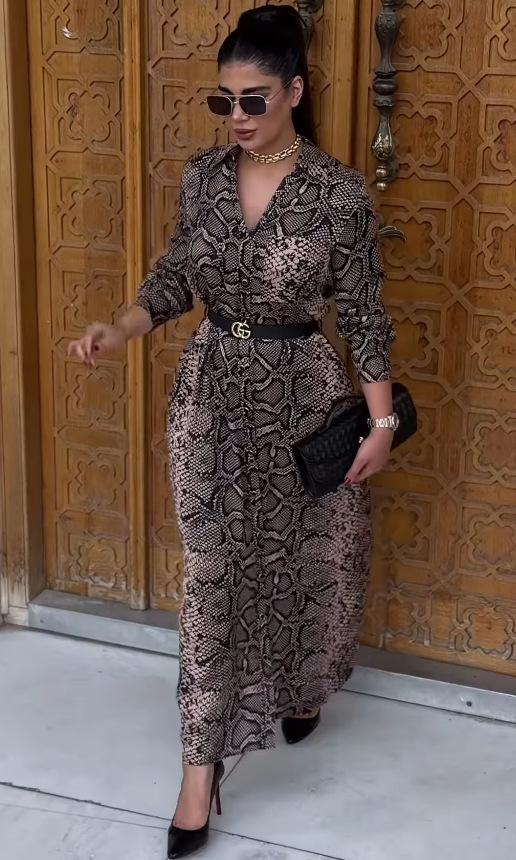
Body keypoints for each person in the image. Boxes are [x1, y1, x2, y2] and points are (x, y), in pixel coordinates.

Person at [68, 5, 397, 858]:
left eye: (254, 100)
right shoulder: (203, 179)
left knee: (308, 562)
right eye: (225, 102)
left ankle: (301, 687)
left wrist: (382, 420)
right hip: (211, 396)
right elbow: (176, 275)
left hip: (304, 397)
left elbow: (364, 315)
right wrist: (121, 326)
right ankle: (198, 769)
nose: (239, 117)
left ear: (295, 92)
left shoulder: (338, 195)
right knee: (212, 576)